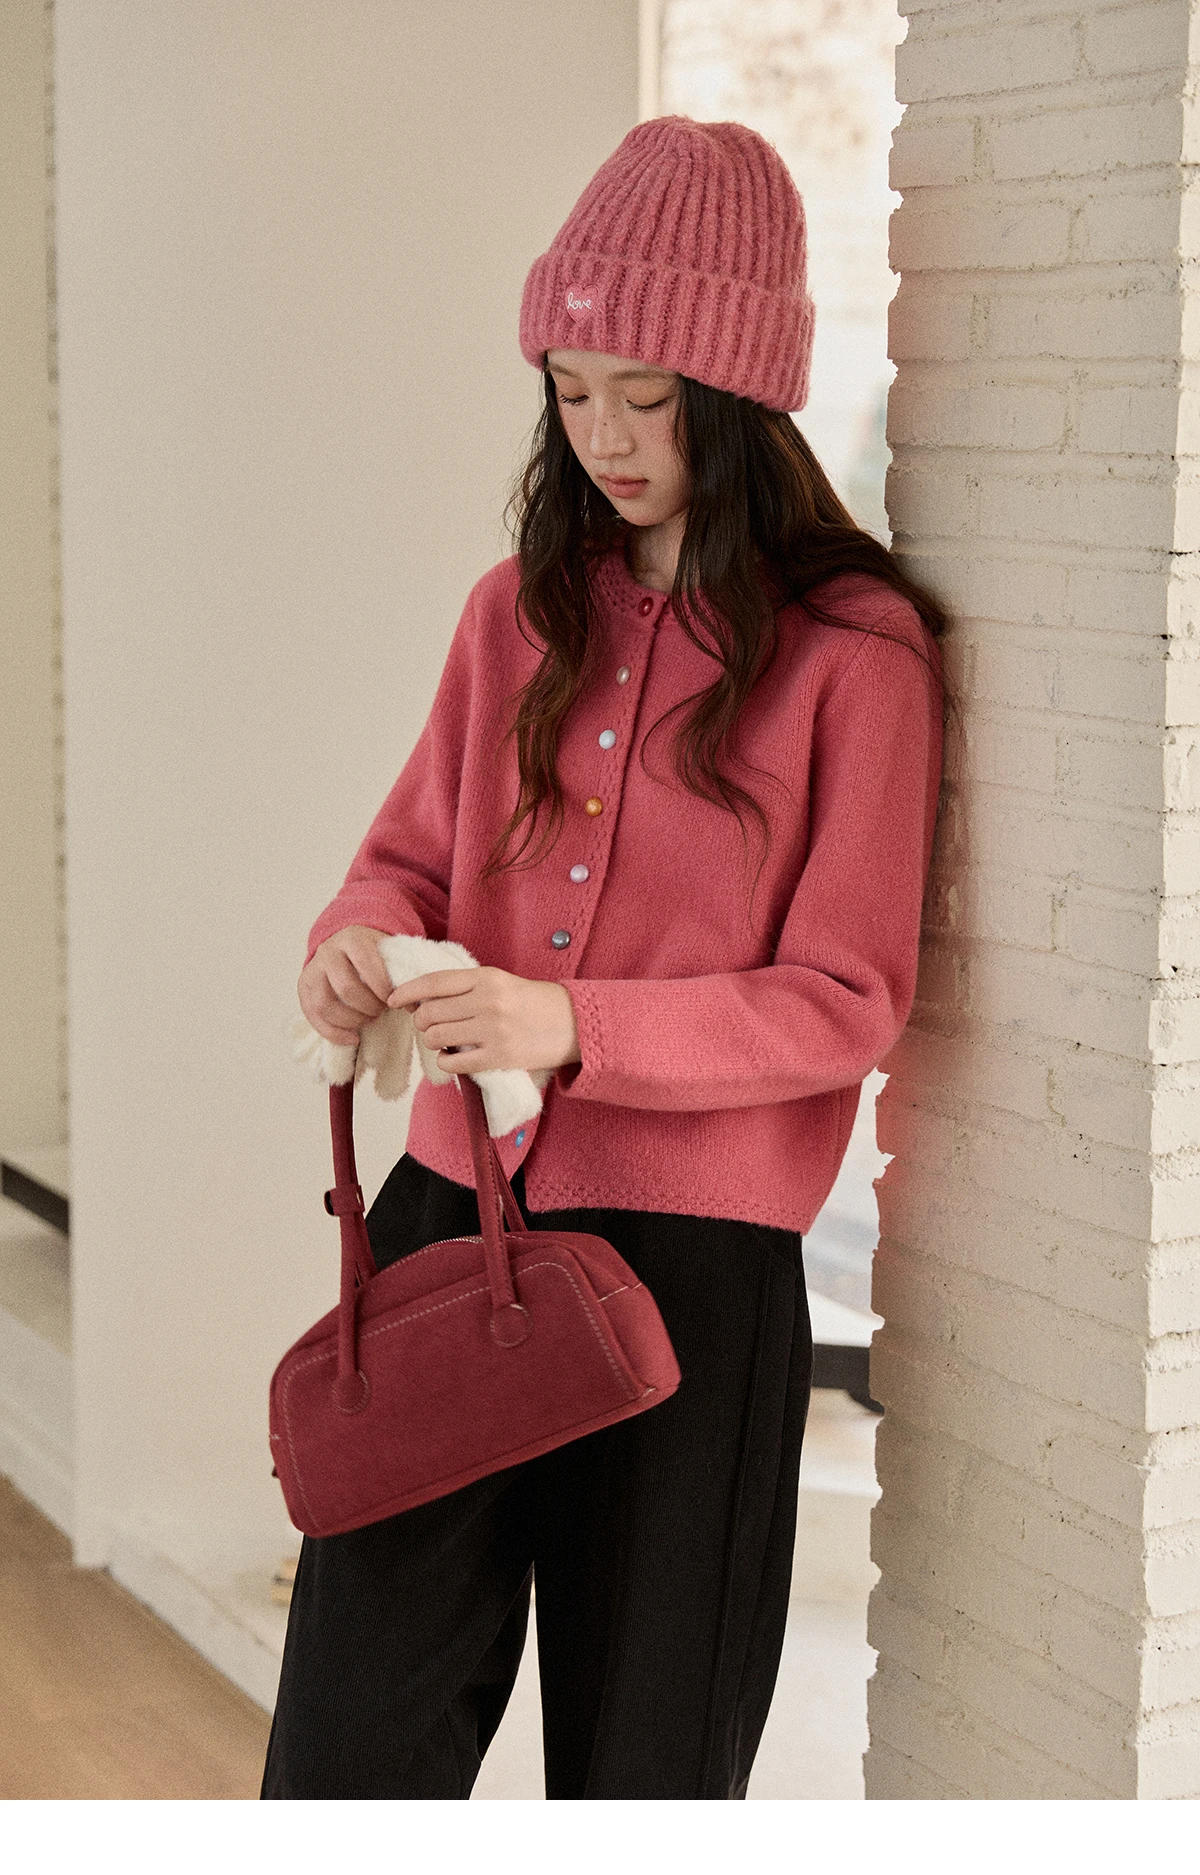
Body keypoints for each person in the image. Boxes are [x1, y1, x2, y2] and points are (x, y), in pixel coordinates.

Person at [261, 114, 945, 1801]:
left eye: (647, 396)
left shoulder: (855, 654)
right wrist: (352, 948)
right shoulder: (516, 611)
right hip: (451, 1225)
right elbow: (405, 856)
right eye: (572, 391)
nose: (605, 436)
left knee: (649, 1775)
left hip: (696, 1280)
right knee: (349, 1748)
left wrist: (566, 1021)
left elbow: (847, 998)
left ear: (742, 393)